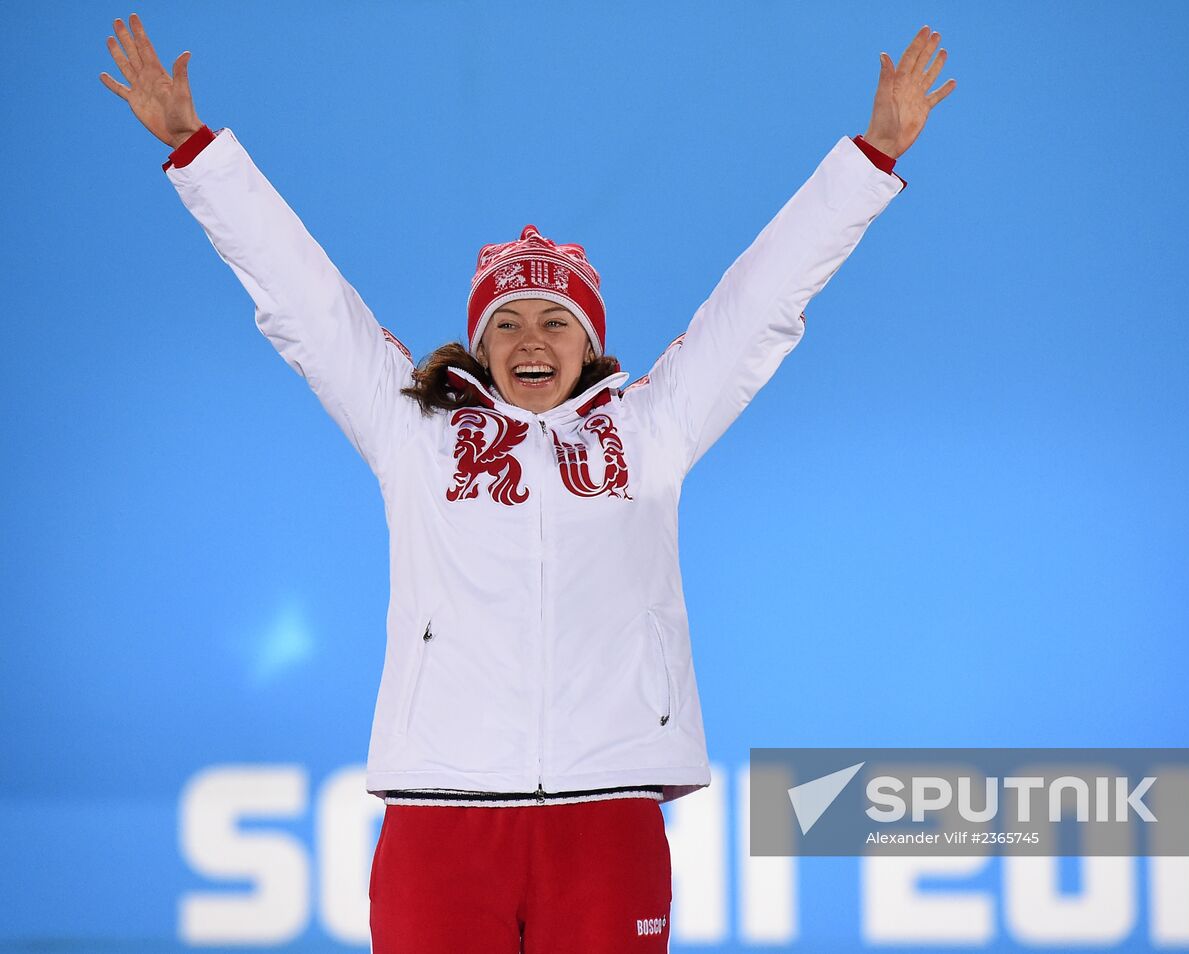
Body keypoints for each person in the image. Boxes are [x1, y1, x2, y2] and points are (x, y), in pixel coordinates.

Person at [100, 12, 955, 952]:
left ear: (590, 344)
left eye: (556, 320)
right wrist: (196, 150)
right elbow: (306, 302)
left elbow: (761, 306)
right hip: (441, 816)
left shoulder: (651, 427)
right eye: (508, 323)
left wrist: (870, 159)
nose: (531, 340)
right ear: (478, 345)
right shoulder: (414, 433)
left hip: (605, 817)